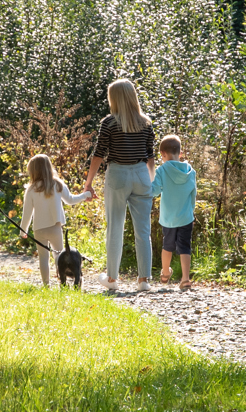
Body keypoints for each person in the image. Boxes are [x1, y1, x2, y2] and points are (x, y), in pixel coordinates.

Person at [82, 79, 155, 291]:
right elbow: (149, 156)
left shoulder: (110, 122)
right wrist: (150, 181)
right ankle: (144, 280)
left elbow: (98, 154)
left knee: (115, 227)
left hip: (118, 175)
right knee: (143, 230)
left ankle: (112, 279)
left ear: (114, 98)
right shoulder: (146, 123)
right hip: (142, 174)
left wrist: (89, 182)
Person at [19, 154, 93, 286]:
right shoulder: (58, 185)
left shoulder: (31, 190)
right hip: (55, 227)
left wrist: (23, 230)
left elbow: (27, 213)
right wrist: (86, 195)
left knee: (43, 258)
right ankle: (62, 281)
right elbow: (71, 200)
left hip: (39, 229)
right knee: (59, 257)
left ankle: (46, 285)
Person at [149, 134, 197, 290]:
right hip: (186, 216)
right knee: (185, 246)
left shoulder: (161, 170)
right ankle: (185, 279)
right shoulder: (191, 171)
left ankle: (165, 273)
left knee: (167, 245)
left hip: (168, 218)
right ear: (180, 153)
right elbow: (193, 195)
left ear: (162, 154)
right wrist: (191, 212)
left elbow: (154, 191)